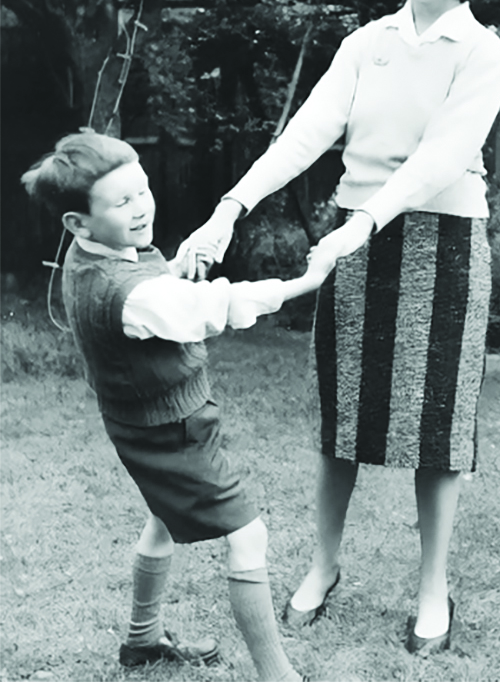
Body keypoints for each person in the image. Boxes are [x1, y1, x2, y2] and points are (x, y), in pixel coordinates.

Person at [182, 0, 500, 655]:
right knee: (344, 415)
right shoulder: (368, 43)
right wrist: (231, 207)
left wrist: (363, 223)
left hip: (443, 241)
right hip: (354, 238)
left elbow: (441, 157)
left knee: (436, 423)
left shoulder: (480, 51)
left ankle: (433, 587)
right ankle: (323, 566)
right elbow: (308, 133)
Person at [20, 130, 326, 682]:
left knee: (163, 520)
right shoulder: (129, 292)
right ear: (77, 223)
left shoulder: (93, 256)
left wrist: (178, 266)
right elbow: (208, 307)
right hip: (169, 432)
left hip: (144, 422)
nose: (142, 207)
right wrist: (306, 281)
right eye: (122, 201)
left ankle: (142, 640)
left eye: (142, 190)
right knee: (248, 536)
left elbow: (154, 291)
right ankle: (280, 677)